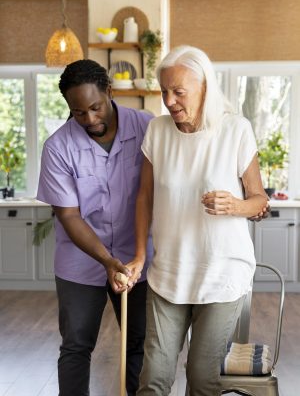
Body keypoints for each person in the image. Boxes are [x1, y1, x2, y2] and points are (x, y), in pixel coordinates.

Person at [127, 45, 269, 396]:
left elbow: (259, 201)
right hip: (169, 274)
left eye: (178, 91)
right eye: (164, 92)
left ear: (205, 86)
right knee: (153, 378)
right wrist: (140, 256)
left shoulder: (235, 129)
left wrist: (235, 206)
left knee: (202, 378)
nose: (169, 101)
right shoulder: (158, 132)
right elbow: (144, 197)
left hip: (221, 274)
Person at [36, 59, 154, 396]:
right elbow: (70, 216)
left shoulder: (148, 128)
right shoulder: (58, 147)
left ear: (109, 92)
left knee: (139, 345)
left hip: (137, 260)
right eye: (78, 113)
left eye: (95, 107)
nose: (90, 119)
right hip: (80, 262)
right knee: (76, 345)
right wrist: (106, 260)